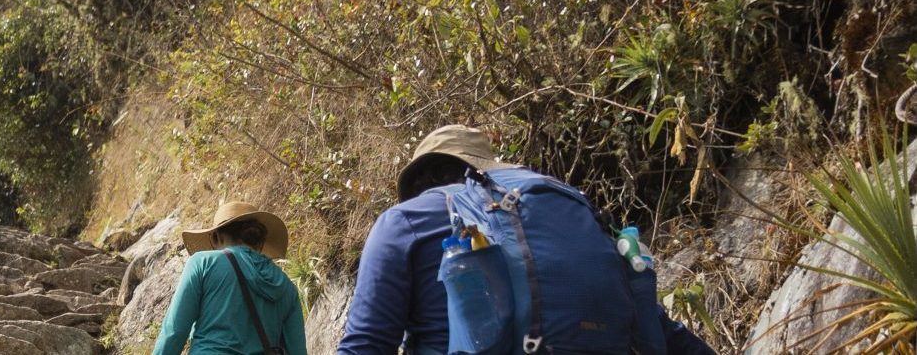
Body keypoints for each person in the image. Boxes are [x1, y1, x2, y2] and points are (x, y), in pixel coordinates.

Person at [336, 125, 714, 355]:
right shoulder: (572, 208)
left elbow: (366, 344)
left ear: (420, 180)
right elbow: (656, 326)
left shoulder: (403, 222)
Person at [155, 201, 306, 355]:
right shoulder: (287, 288)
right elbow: (298, 351)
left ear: (215, 237)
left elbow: (174, 332)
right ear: (260, 242)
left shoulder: (203, 263)